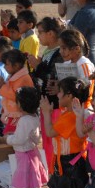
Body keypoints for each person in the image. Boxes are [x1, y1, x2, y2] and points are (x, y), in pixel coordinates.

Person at [41, 77, 93, 188]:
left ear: (70, 96)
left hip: (70, 163)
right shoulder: (69, 113)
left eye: (60, 92)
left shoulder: (71, 116)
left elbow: (49, 132)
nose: (57, 96)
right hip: (66, 161)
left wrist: (46, 113)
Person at [28, 17, 65, 173]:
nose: (39, 36)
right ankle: (51, 173)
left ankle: (55, 173)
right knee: (48, 141)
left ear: (51, 33)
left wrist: (38, 66)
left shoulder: (59, 53)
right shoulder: (49, 51)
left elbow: (52, 80)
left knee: (55, 141)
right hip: (46, 104)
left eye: (40, 32)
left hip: (55, 106)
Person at [5, 87, 48, 188]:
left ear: (20, 104)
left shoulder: (25, 120)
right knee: (33, 181)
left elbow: (19, 139)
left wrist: (7, 138)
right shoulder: (33, 117)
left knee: (30, 183)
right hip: (32, 152)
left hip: (25, 155)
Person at [0, 49, 34, 135]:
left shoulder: (23, 78)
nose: (4, 67)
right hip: (15, 114)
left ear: (16, 65)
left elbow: (16, 96)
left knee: (11, 139)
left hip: (19, 115)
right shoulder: (15, 75)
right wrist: (1, 85)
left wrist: (1, 86)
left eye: (7, 64)